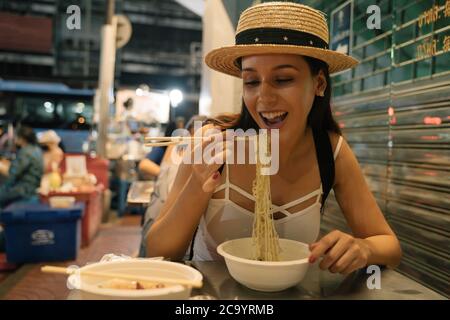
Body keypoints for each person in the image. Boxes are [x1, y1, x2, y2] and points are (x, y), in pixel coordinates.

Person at [146, 2, 402, 274]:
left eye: (282, 79)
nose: (264, 98)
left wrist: (363, 249)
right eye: (252, 82)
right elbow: (159, 252)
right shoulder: (215, 144)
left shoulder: (331, 151)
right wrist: (196, 185)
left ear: (319, 84)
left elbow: (390, 246)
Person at [140, 115, 207, 257]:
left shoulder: (190, 151)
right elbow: (144, 165)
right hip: (159, 215)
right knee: (150, 265)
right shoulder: (176, 146)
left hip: (167, 217)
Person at [0, 126, 43, 208]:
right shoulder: (36, 150)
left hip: (23, 189)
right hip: (33, 188)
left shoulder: (25, 152)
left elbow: (13, 173)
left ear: (22, 139)